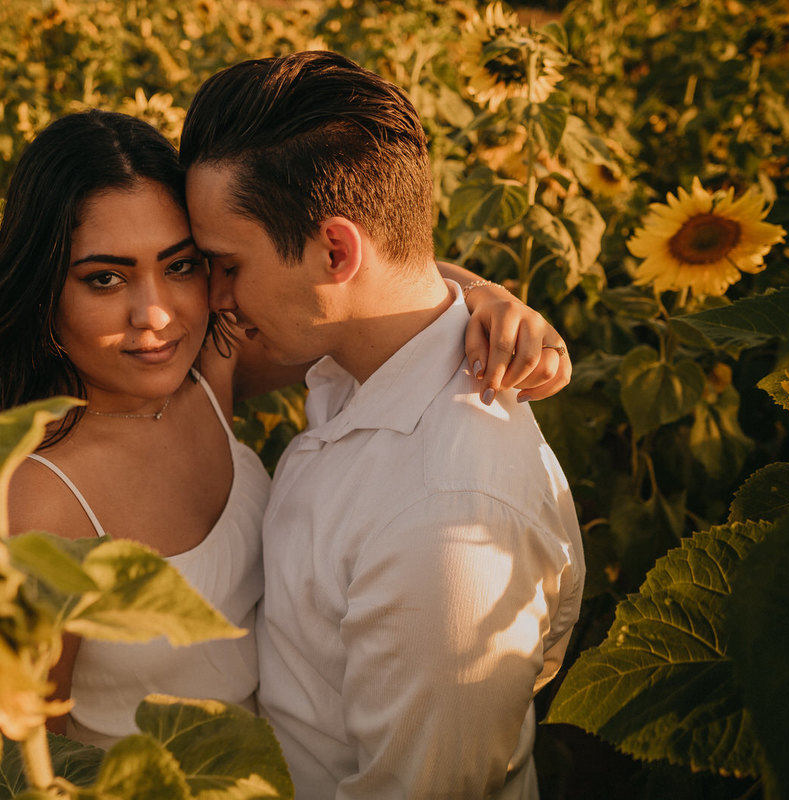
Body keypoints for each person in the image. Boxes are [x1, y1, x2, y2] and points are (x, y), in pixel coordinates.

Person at [0, 109, 572, 750]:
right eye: (105, 278)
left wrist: (486, 296)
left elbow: (367, 295)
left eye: (183, 266)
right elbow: (10, 766)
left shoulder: (205, 372)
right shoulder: (29, 505)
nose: (156, 315)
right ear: (42, 286)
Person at [180, 51, 586, 798]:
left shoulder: (443, 521)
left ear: (336, 250)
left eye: (226, 264)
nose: (213, 296)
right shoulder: (355, 352)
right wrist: (478, 288)